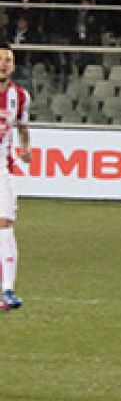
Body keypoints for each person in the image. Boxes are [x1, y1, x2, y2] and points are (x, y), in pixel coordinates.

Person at [0, 45, 30, 311]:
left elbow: (22, 127)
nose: (3, 63)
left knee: (5, 224)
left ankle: (8, 290)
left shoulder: (19, 95)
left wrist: (26, 148)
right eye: (0, 59)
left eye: (8, 59)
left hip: (2, 169)